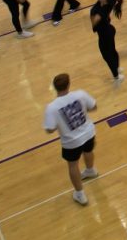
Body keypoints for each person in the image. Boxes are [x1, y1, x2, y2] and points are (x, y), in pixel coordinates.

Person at [42, 73, 99, 206]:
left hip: (71, 142)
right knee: (88, 151)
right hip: (88, 133)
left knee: (73, 165)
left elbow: (49, 129)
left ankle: (80, 194)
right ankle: (91, 170)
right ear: (68, 85)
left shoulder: (52, 107)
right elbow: (94, 107)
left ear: (55, 88)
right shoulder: (80, 94)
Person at [88, 0, 124, 83]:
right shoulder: (102, 3)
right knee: (112, 51)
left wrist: (91, 18)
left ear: (106, 2)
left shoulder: (102, 11)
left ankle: (116, 76)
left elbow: (94, 23)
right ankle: (117, 68)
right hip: (108, 30)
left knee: (107, 56)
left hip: (105, 35)